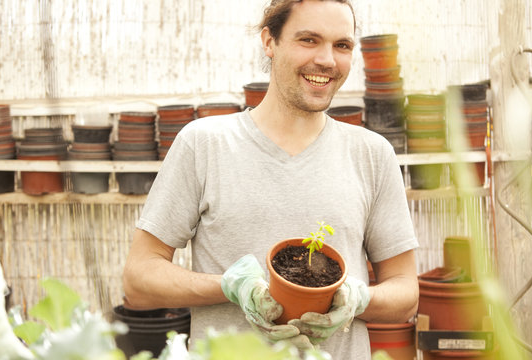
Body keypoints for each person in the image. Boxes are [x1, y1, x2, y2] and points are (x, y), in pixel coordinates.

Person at [122, 0, 419, 358]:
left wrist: (356, 298)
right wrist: (232, 288)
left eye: (342, 45)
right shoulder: (205, 145)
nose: (327, 60)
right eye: (309, 40)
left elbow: (406, 293)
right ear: (269, 41)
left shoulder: (371, 154)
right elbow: (139, 280)